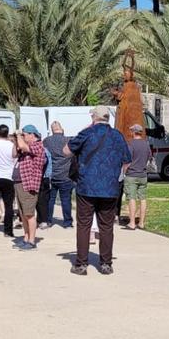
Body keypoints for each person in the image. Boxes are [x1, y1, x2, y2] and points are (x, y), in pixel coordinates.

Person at [65, 106, 131, 275]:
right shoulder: (117, 135)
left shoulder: (87, 133)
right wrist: (116, 174)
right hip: (110, 188)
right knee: (107, 227)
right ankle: (106, 264)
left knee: (84, 225)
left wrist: (85, 130)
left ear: (94, 117)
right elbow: (127, 160)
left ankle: (81, 264)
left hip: (87, 187)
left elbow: (66, 151)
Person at [13, 125, 47, 250]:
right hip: (20, 182)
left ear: (32, 135)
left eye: (24, 134)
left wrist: (18, 136)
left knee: (29, 214)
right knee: (23, 214)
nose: (23, 137)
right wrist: (15, 140)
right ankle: (26, 237)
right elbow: (14, 154)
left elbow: (23, 146)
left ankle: (32, 241)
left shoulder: (37, 145)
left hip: (29, 183)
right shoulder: (25, 146)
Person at [43, 121, 75, 228]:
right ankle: (67, 222)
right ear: (62, 129)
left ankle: (48, 220)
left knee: (50, 199)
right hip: (66, 175)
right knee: (66, 200)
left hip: (51, 175)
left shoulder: (47, 141)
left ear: (52, 130)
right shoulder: (68, 140)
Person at [124, 124, 152, 230]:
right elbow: (149, 158)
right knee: (143, 198)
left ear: (133, 132)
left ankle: (132, 223)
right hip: (143, 175)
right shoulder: (146, 144)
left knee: (131, 198)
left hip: (131, 174)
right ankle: (141, 223)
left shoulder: (131, 144)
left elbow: (127, 160)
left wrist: (124, 170)